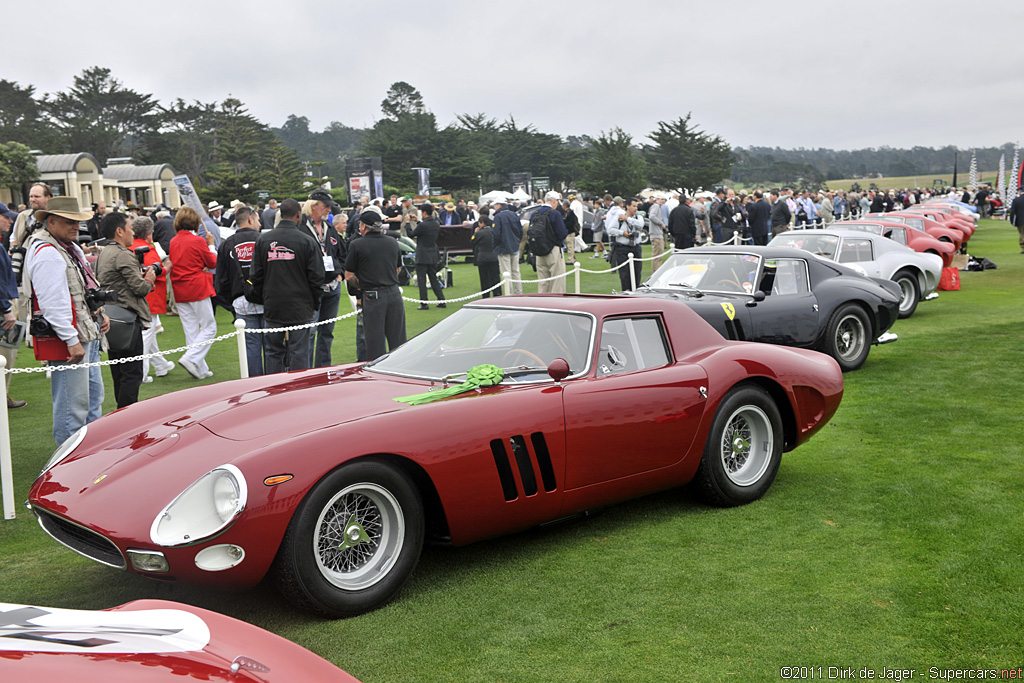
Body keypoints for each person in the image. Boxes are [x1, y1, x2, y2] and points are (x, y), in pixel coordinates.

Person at [23, 196, 109, 445]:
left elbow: (84, 290)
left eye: (77, 221)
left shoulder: (68, 248)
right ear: (51, 221)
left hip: (84, 331)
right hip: (72, 337)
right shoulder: (49, 252)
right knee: (73, 405)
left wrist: (99, 314)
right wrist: (71, 340)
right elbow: (53, 303)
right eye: (69, 221)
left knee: (91, 398)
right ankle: (67, 464)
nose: (75, 226)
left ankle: (88, 453)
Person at [248, 198, 324, 374]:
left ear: (281, 214)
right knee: (299, 352)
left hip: (274, 305)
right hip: (300, 306)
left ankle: (275, 389)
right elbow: (317, 278)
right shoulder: (307, 241)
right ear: (298, 214)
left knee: (273, 351)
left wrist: (264, 298)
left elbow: (255, 276)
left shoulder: (263, 240)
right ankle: (299, 390)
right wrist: (314, 303)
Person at [95, 213, 157, 407]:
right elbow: (139, 288)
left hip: (110, 317)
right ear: (119, 231)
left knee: (119, 372)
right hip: (127, 320)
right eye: (130, 227)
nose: (132, 232)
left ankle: (121, 414)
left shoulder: (104, 252)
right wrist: (149, 279)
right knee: (131, 372)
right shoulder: (123, 254)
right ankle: (127, 416)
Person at [344, 212, 406, 360]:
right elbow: (398, 269)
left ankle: (378, 377)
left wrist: (363, 285)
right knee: (398, 341)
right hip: (394, 293)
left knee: (375, 343)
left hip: (373, 295)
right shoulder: (392, 242)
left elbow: (349, 275)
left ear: (363, 226)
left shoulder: (356, 244)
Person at [215, 205, 266, 376]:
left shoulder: (226, 244)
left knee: (251, 348)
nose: (260, 223)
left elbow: (221, 282)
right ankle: (274, 385)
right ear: (250, 219)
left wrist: (233, 302)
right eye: (258, 219)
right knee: (273, 347)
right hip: (267, 300)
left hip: (241, 302)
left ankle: (256, 386)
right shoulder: (264, 240)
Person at [169, 207, 217, 379]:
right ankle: (191, 359)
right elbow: (212, 263)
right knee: (209, 327)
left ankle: (199, 367)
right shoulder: (198, 241)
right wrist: (211, 245)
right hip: (196, 287)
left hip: (180, 289)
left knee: (191, 330)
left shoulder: (174, 241)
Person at [303, 190, 347, 367]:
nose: (329, 209)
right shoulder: (301, 228)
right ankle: (306, 372)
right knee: (310, 332)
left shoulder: (330, 229)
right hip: (311, 289)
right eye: (325, 205)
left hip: (332, 287)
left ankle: (323, 369)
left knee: (327, 331)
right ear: (314, 206)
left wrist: (340, 273)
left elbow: (343, 254)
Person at [131, 216, 174, 382]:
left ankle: (161, 365)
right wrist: (167, 267)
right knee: (147, 333)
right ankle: (141, 373)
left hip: (141, 294)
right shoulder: (146, 248)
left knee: (150, 334)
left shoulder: (131, 246)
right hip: (150, 294)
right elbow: (155, 270)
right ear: (149, 234)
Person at [0, 203, 26, 408]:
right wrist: (6, 309)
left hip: (6, 304)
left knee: (9, 355)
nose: (10, 221)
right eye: (6, 217)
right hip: (3, 309)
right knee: (5, 357)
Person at [530, 191, 569, 294]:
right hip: (553, 249)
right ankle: (556, 304)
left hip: (539, 250)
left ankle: (543, 304)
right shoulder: (555, 214)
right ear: (554, 201)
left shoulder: (534, 213)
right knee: (557, 281)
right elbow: (562, 233)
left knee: (543, 282)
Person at [409, 203, 445, 309]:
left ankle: (424, 303)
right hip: (432, 253)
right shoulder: (435, 223)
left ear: (424, 213)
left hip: (422, 255)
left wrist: (407, 223)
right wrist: (418, 221)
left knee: (422, 279)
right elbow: (424, 228)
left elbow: (411, 234)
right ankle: (441, 300)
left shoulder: (423, 225)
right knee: (433, 278)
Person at [606, 197, 644, 291]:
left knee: (637, 274)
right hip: (623, 249)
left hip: (636, 248)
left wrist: (628, 219)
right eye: (634, 206)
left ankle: (635, 296)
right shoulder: (619, 217)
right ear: (627, 206)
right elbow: (610, 230)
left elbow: (640, 224)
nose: (636, 208)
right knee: (625, 275)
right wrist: (622, 233)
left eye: (637, 206)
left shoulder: (638, 217)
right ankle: (626, 296)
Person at [491, 199, 523, 294]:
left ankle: (509, 293)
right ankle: (519, 292)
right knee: (516, 271)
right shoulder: (514, 215)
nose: (494, 207)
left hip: (503, 247)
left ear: (499, 205)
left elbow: (496, 234)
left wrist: (495, 245)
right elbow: (520, 231)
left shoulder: (498, 217)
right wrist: (517, 241)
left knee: (506, 272)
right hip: (514, 246)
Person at [472, 216, 500, 297]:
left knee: (484, 278)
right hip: (494, 257)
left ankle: (485, 295)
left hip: (482, 257)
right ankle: (497, 294)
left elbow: (472, 242)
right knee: (495, 277)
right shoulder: (494, 231)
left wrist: (475, 233)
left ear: (482, 223)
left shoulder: (479, 233)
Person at [1009, 186, 1024, 254]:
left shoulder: (1016, 200)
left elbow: (1012, 212)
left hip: (1020, 220)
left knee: (1022, 234)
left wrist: (1012, 221)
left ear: (1020, 191)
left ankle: (1023, 248)